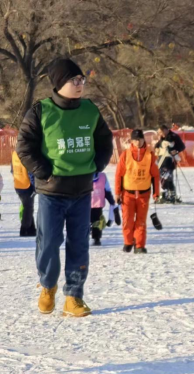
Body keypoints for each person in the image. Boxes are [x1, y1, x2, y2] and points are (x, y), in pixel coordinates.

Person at [16, 58, 113, 317]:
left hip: (82, 192)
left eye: (82, 79)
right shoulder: (40, 111)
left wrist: (98, 164)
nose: (80, 84)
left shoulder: (90, 110)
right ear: (59, 84)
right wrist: (43, 171)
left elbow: (105, 140)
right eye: (74, 80)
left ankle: (74, 297)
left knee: (79, 244)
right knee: (48, 242)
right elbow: (24, 146)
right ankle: (48, 286)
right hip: (51, 192)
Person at [115, 129, 160, 254]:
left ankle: (139, 245)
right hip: (127, 194)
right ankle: (128, 242)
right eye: (135, 140)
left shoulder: (150, 155)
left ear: (143, 140)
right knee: (127, 220)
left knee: (141, 221)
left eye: (140, 139)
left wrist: (156, 193)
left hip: (143, 194)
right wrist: (117, 193)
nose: (138, 142)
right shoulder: (125, 155)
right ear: (131, 141)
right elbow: (119, 175)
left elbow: (155, 175)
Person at [154, 125, 185, 203]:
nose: (160, 134)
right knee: (166, 177)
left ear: (165, 130)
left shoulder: (174, 136)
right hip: (162, 160)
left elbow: (182, 146)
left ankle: (165, 194)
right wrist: (156, 148)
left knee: (166, 176)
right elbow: (158, 144)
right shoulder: (163, 137)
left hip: (169, 160)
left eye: (161, 132)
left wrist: (176, 151)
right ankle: (171, 195)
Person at [12, 151, 36, 237]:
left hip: (18, 184)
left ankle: (31, 228)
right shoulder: (26, 154)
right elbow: (31, 173)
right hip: (26, 185)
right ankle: (24, 229)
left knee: (28, 206)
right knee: (28, 207)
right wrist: (34, 187)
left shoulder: (15, 153)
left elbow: (12, 170)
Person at [90, 172, 118, 246]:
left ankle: (97, 238)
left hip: (98, 204)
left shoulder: (102, 177)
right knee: (84, 222)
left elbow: (107, 190)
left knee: (97, 222)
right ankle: (83, 237)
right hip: (86, 204)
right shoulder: (84, 174)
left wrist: (111, 201)